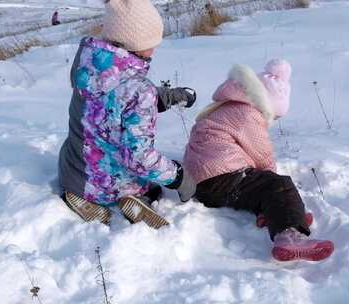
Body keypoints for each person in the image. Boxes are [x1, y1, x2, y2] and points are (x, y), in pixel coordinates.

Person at [58, 0, 197, 229]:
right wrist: (179, 177)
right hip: (108, 182)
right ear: (133, 41)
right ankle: (138, 200)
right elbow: (139, 157)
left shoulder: (87, 65)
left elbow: (111, 104)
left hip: (73, 169)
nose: (155, 47)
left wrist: (164, 96)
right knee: (152, 187)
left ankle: (80, 196)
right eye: (152, 42)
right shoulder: (139, 90)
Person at [183, 59, 334, 262]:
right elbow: (262, 154)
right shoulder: (247, 114)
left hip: (204, 183)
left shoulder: (228, 108)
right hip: (222, 177)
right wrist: (272, 175)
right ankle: (289, 233)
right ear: (265, 103)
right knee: (277, 185)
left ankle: (281, 212)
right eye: (274, 116)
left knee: (257, 189)